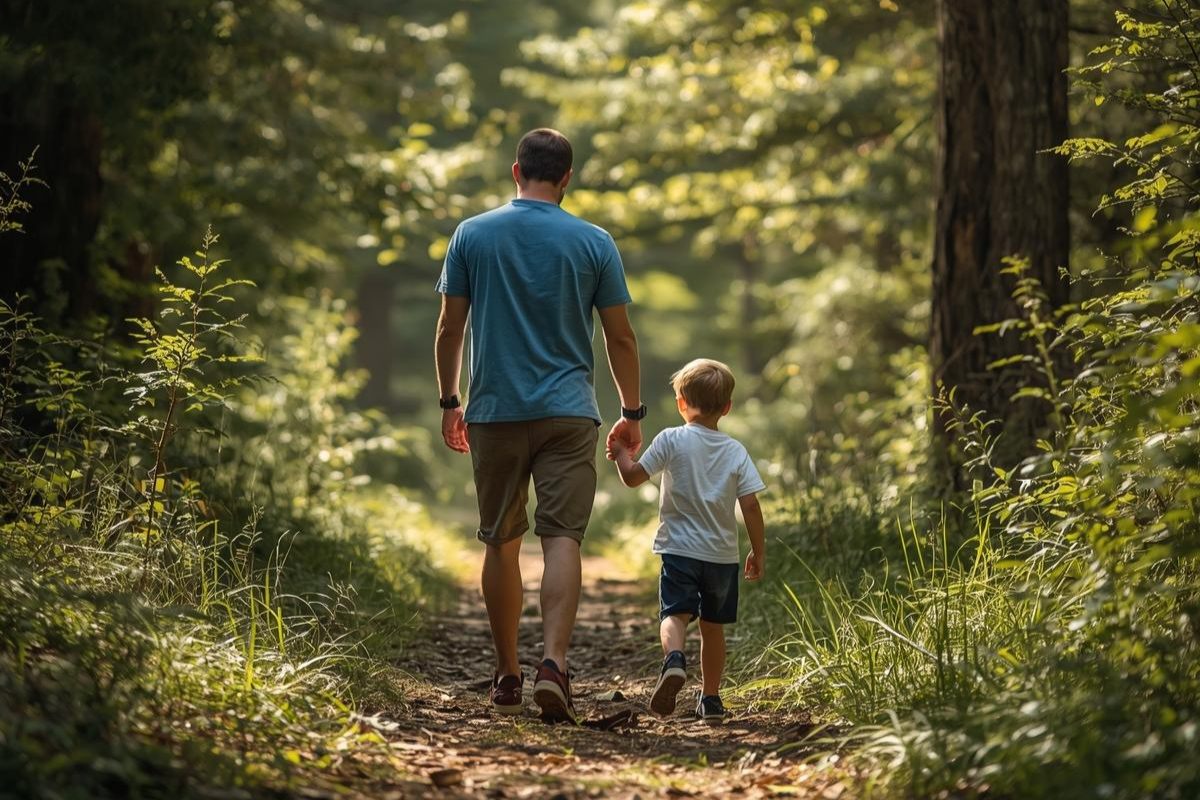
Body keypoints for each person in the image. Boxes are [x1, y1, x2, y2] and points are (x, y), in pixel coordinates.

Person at [433, 128, 644, 723]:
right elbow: (619, 336)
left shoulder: (472, 234)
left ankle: (507, 673)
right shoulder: (593, 241)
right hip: (569, 413)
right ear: (567, 178)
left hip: (494, 410)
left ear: (515, 170)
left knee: (501, 541)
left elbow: (450, 328)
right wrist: (632, 414)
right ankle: (554, 663)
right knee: (562, 540)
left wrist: (451, 399)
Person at [608, 358, 766, 724]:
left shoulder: (670, 439)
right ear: (726, 408)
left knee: (673, 615)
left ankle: (674, 660)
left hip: (679, 550)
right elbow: (752, 505)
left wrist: (619, 454)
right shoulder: (735, 451)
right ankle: (710, 699)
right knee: (713, 629)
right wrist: (758, 551)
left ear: (681, 403)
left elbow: (633, 478)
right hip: (722, 556)